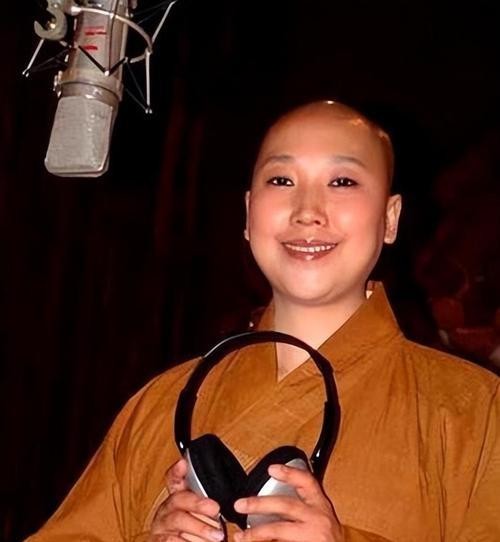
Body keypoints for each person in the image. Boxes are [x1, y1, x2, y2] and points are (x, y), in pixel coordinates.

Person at [25, 101, 500, 542]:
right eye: (281, 180)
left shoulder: (473, 411)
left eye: (342, 182)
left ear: (390, 218)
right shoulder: (161, 404)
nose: (308, 212)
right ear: (249, 213)